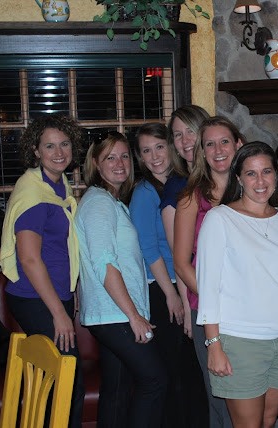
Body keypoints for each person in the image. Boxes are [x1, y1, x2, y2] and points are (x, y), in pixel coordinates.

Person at [196, 142, 278, 428]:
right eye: (251, 173)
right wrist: (213, 345)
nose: (260, 181)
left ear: (276, 176)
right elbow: (208, 287)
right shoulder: (220, 219)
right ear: (238, 178)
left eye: (267, 172)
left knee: (268, 421)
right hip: (240, 341)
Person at [75, 132, 167, 428]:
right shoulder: (99, 203)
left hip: (112, 314)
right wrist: (134, 316)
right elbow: (104, 263)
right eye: (110, 157)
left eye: (124, 156)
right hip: (116, 315)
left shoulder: (113, 202)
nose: (119, 163)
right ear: (95, 163)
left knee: (117, 388)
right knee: (155, 381)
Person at [0, 114, 85, 428]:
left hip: (53, 295)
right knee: (67, 383)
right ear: (36, 150)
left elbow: (61, 249)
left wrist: (71, 293)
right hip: (34, 297)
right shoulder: (33, 194)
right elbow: (29, 259)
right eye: (50, 146)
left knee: (59, 382)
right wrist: (59, 314)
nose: (59, 152)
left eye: (64, 143)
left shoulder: (58, 186)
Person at [173, 116, 245, 428]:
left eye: (224, 141)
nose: (218, 150)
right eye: (210, 144)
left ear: (238, 144)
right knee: (220, 398)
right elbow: (181, 263)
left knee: (247, 397)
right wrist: (217, 300)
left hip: (250, 313)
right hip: (208, 311)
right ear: (202, 151)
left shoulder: (254, 191)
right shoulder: (191, 198)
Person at [129, 122, 191, 427]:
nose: (154, 156)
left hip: (182, 282)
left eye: (159, 147)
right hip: (162, 287)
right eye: (146, 151)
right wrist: (171, 294)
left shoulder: (180, 183)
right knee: (173, 371)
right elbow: (147, 247)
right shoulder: (144, 192)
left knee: (186, 371)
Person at [161, 105, 210, 334]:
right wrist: (189, 310)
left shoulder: (224, 177)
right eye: (178, 135)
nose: (185, 140)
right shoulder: (176, 187)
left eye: (191, 131)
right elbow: (179, 257)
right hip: (199, 295)